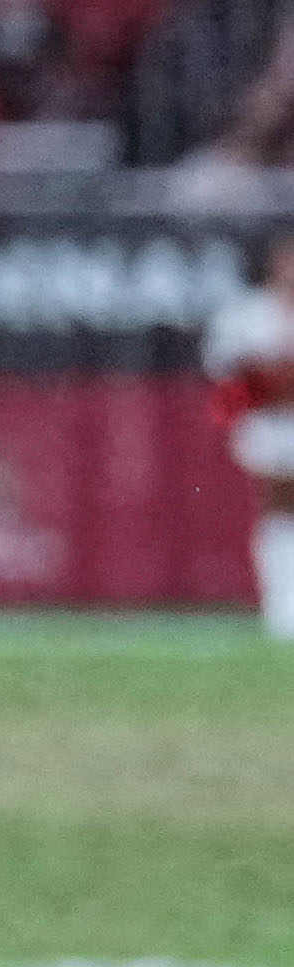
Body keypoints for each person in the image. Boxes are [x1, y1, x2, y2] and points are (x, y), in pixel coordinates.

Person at [210, 224, 294, 649]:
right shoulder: (248, 315)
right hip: (275, 426)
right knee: (279, 506)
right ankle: (284, 607)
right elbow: (230, 387)